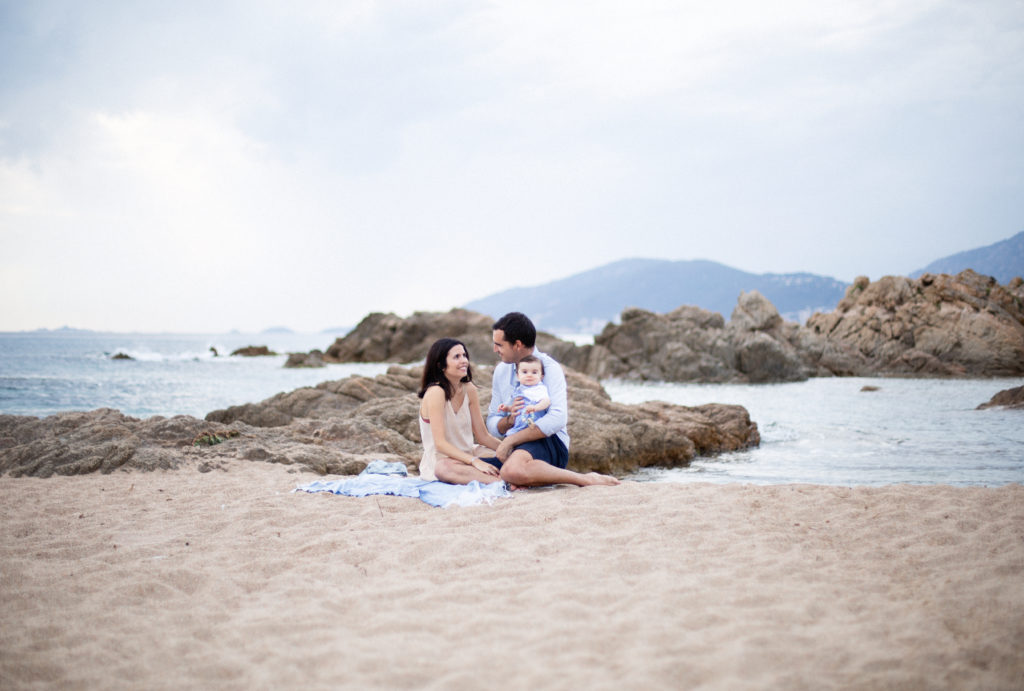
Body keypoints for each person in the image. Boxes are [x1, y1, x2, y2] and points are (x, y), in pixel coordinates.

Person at [487, 312, 620, 488]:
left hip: (549, 442)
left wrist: (511, 441)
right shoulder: (501, 371)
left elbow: (557, 418)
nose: (495, 350)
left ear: (517, 345)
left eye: (499, 345)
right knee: (446, 468)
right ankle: (520, 480)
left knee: (511, 470)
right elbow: (492, 421)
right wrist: (509, 420)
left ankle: (585, 479)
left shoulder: (550, 368)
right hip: (515, 445)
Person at [418, 338, 504, 485]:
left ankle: (502, 476)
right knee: (444, 469)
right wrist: (475, 462)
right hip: (444, 461)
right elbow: (440, 444)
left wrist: (510, 449)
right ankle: (503, 481)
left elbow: (483, 436)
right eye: (456, 357)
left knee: (509, 456)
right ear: (440, 365)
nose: (464, 360)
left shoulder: (469, 389)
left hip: (469, 453)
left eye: (464, 355)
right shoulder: (436, 392)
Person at [498, 355, 550, 434]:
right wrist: (507, 408)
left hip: (533, 423)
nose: (529, 375)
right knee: (509, 435)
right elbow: (518, 407)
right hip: (519, 425)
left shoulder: (539, 388)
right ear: (518, 376)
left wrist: (535, 407)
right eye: (525, 372)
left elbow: (546, 401)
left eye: (534, 372)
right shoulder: (519, 389)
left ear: (541, 376)